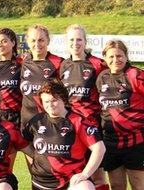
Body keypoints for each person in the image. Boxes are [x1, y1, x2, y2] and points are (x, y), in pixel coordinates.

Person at [22, 80, 105, 190]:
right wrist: (36, 159)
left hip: (71, 180)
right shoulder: (36, 121)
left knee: (86, 187)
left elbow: (99, 148)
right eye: (46, 102)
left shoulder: (78, 121)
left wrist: (85, 174)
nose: (50, 105)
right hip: (42, 183)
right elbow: (23, 142)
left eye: (54, 100)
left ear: (64, 99)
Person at [59, 24, 108, 190]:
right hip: (71, 127)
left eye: (79, 39)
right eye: (71, 39)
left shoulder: (98, 64)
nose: (75, 43)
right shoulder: (62, 65)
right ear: (67, 42)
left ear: (85, 41)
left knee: (98, 175)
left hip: (92, 125)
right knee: (76, 173)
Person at [96, 40, 144, 190]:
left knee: (138, 184)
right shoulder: (102, 77)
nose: (115, 60)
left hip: (135, 142)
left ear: (126, 56)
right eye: (111, 56)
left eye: (119, 56)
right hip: (110, 142)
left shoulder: (135, 75)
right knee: (116, 185)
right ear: (104, 58)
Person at [20, 24, 64, 127]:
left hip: (49, 122)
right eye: (33, 40)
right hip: (27, 121)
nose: (37, 44)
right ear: (27, 42)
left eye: (41, 40)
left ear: (48, 40)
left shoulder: (58, 62)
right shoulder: (22, 62)